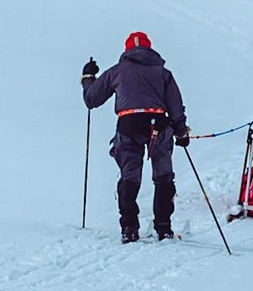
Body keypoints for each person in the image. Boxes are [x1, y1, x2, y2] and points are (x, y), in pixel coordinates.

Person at [81, 31, 193, 242]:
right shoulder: (163, 73)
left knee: (129, 176)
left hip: (128, 124)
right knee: (163, 175)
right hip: (158, 125)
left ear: (127, 50)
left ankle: (129, 227)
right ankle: (163, 227)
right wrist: (181, 132)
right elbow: (176, 105)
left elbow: (91, 99)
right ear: (149, 48)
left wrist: (88, 78)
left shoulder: (117, 72)